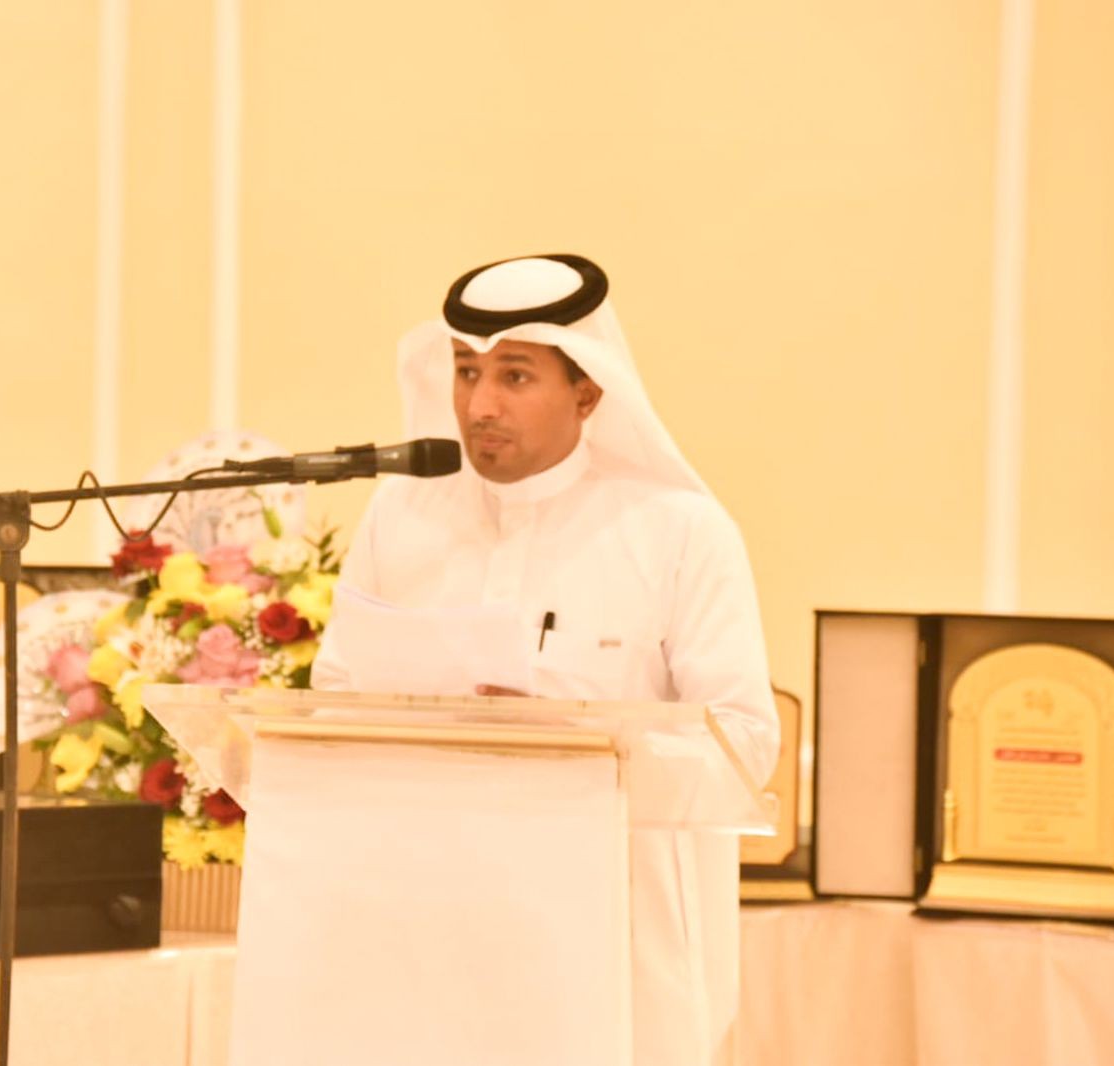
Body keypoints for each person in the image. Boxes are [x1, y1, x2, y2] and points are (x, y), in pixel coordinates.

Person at [313, 252, 779, 1064]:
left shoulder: (679, 531)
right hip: (427, 924)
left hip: (608, 937)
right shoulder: (402, 514)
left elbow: (744, 743)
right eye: (466, 372)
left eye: (516, 376)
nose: (479, 405)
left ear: (588, 393)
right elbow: (333, 698)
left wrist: (574, 741)